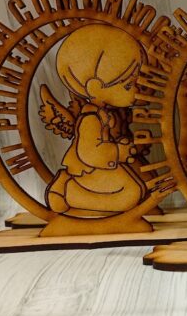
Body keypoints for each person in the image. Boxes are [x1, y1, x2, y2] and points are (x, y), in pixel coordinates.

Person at [45, 24, 147, 215]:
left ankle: (71, 190)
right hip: (91, 170)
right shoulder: (91, 119)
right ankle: (67, 192)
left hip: (106, 166)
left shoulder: (108, 114)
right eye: (128, 85)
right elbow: (90, 153)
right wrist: (118, 151)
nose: (137, 89)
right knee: (132, 193)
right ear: (95, 88)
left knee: (141, 186)